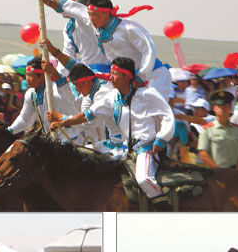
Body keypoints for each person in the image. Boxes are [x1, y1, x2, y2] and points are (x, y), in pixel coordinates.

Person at [50, 57, 175, 210]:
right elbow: (86, 116)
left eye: (115, 74)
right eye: (111, 73)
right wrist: (63, 122)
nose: (111, 77)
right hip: (125, 150)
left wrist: (161, 138)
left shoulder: (147, 94)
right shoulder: (111, 98)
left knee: (143, 179)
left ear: (127, 76)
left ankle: (166, 213)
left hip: (146, 148)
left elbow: (168, 116)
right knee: (84, 157)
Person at [72, 0, 172, 100]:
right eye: (89, 14)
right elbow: (68, 7)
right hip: (127, 79)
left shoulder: (128, 28)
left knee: (152, 113)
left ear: (106, 14)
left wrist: (141, 77)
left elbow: (148, 50)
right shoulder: (99, 31)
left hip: (153, 76)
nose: (91, 19)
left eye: (95, 15)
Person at [46, 60, 124, 156]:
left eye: (77, 86)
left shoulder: (102, 92)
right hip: (112, 142)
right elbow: (78, 108)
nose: (77, 90)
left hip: (121, 145)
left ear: (86, 82)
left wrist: (61, 119)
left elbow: (88, 122)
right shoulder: (91, 92)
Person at [35, 0, 111, 73]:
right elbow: (68, 54)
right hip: (86, 74)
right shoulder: (68, 28)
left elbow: (69, 7)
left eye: (58, 1)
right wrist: (57, 74)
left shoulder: (88, 17)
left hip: (106, 72)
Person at [7, 57, 83, 143]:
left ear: (42, 76)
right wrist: (9, 131)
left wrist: (54, 73)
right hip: (51, 141)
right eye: (26, 75)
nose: (27, 79)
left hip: (71, 139)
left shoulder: (56, 89)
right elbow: (25, 120)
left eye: (30, 75)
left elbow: (69, 98)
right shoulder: (31, 94)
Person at [197, 90, 238, 169]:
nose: (222, 108)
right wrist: (219, 171)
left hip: (236, 171)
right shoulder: (207, 130)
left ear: (230, 107)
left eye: (225, 105)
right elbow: (203, 154)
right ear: (214, 108)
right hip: (216, 173)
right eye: (219, 105)